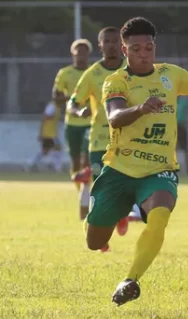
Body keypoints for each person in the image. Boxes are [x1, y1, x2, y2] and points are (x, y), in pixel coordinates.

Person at [85, 17, 188, 306]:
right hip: (119, 170)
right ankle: (122, 209)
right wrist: (141, 108)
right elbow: (115, 117)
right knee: (94, 242)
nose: (143, 54)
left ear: (154, 47)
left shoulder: (170, 75)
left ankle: (130, 281)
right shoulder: (116, 81)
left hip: (160, 170)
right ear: (124, 50)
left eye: (148, 48)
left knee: (160, 216)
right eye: (136, 49)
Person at [67, 27, 136, 253]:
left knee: (127, 183)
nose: (112, 45)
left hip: (128, 139)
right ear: (100, 46)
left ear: (122, 44)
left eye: (116, 41)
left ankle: (121, 214)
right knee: (100, 189)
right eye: (107, 41)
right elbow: (73, 102)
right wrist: (78, 112)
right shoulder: (93, 73)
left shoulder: (132, 71)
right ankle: (100, 236)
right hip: (99, 141)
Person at [53, 39, 92, 219]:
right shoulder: (65, 73)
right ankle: (81, 193)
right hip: (72, 124)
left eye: (84, 52)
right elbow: (57, 96)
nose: (81, 55)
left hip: (91, 124)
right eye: (78, 51)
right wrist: (72, 101)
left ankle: (87, 195)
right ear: (73, 53)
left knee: (87, 161)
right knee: (75, 161)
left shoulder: (94, 73)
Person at [28, 101, 63, 172]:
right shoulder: (52, 106)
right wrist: (40, 133)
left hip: (51, 133)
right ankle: (57, 168)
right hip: (49, 133)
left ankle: (31, 163)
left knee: (45, 151)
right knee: (57, 149)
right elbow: (44, 118)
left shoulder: (57, 107)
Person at [176, 95, 188, 173]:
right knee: (173, 147)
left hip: (181, 125)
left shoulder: (184, 101)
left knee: (185, 148)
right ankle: (173, 166)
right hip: (173, 125)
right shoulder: (171, 99)